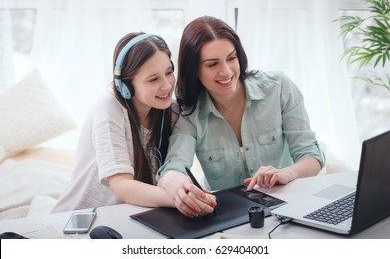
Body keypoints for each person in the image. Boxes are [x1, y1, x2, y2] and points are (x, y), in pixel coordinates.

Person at [157, 16, 325, 217]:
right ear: (194, 70)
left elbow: (312, 156)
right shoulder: (190, 115)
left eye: (231, 58)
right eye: (212, 64)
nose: (226, 71)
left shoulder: (278, 88)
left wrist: (286, 173)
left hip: (288, 209)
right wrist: (173, 181)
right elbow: (173, 168)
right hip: (227, 219)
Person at [52, 32, 178, 212]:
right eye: (153, 79)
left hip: (131, 217)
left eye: (169, 72)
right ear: (125, 86)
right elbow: (122, 187)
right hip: (79, 219)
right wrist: (181, 198)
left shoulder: (170, 111)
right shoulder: (108, 108)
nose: (167, 85)